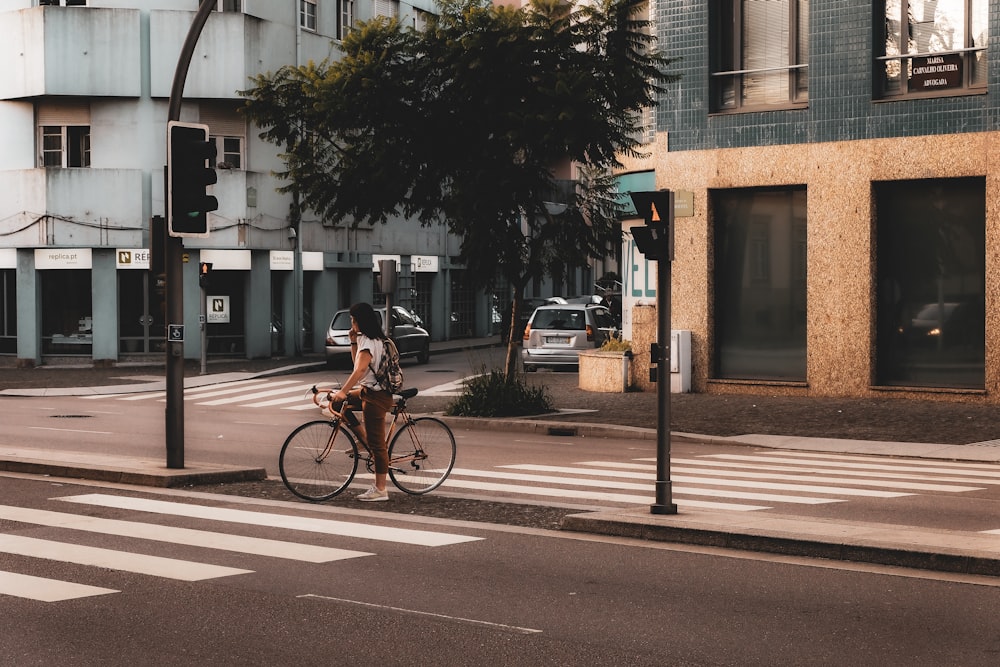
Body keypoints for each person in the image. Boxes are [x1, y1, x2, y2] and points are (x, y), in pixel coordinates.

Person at [328, 302, 395, 502]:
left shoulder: (370, 342)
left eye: (352, 320)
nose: (351, 323)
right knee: (339, 404)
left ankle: (381, 489)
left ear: (359, 321)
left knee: (378, 446)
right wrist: (353, 341)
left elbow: (359, 371)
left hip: (376, 396)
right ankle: (363, 440)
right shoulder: (368, 339)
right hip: (368, 391)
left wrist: (343, 391)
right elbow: (357, 364)